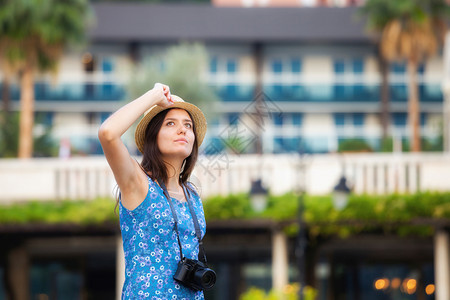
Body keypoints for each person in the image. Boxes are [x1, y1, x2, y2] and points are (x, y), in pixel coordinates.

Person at [98, 83, 208, 299]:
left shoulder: (192, 197)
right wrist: (154, 96)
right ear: (153, 135)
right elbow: (107, 133)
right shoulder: (138, 183)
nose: (182, 129)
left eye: (188, 125)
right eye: (170, 123)